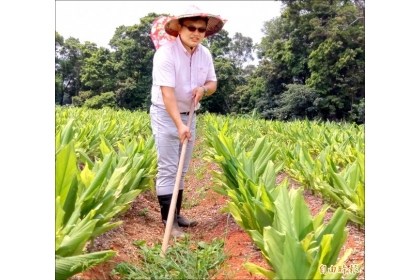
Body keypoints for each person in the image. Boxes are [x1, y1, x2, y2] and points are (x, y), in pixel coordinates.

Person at [149, 5, 226, 237]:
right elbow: (167, 93)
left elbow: (213, 83)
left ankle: (178, 214)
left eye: (201, 30)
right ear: (179, 29)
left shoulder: (205, 54)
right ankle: (168, 221)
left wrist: (203, 89)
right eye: (191, 27)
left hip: (190, 114)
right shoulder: (165, 53)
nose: (196, 33)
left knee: (181, 169)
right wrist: (179, 125)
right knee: (168, 168)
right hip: (165, 114)